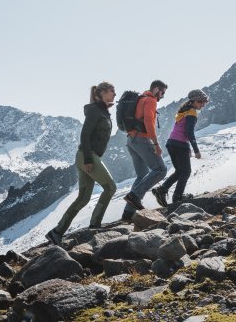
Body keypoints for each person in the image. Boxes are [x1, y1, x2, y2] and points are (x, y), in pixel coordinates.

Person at [46, 82, 117, 246]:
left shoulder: (101, 110)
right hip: (87, 155)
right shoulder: (95, 111)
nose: (115, 94)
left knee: (83, 198)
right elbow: (84, 135)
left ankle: (56, 232)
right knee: (110, 187)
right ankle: (95, 225)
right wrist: (87, 159)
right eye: (112, 91)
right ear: (102, 93)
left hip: (86, 155)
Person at [121, 80, 168, 221]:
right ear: (155, 89)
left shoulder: (140, 99)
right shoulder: (151, 100)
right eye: (162, 92)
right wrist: (156, 143)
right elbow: (148, 120)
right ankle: (134, 196)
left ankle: (127, 215)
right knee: (160, 170)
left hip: (131, 141)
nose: (162, 96)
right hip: (142, 140)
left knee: (142, 175)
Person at [152, 89, 208, 207]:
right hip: (180, 144)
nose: (203, 104)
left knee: (179, 171)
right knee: (186, 172)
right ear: (194, 101)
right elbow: (189, 132)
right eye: (201, 101)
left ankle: (162, 190)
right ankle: (177, 197)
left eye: (204, 102)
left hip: (172, 143)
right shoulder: (192, 112)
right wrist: (196, 150)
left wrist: (187, 147)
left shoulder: (184, 111)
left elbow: (181, 130)